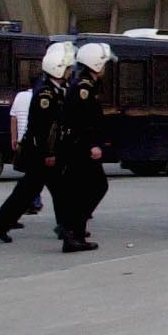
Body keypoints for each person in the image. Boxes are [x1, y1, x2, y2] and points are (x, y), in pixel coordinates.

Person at [0, 42, 74, 244]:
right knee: (45, 190)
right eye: (68, 68)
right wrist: (48, 154)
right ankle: (65, 228)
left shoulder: (55, 90)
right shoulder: (46, 94)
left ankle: (2, 222)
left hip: (43, 152)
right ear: (59, 69)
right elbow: (42, 128)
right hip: (42, 153)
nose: (71, 72)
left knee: (31, 190)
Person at [55, 41, 114, 252]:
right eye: (104, 63)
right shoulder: (84, 88)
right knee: (94, 187)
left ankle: (73, 232)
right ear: (96, 64)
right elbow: (82, 121)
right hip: (80, 147)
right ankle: (71, 232)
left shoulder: (86, 85)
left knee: (84, 190)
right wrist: (92, 145)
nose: (105, 68)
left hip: (78, 145)